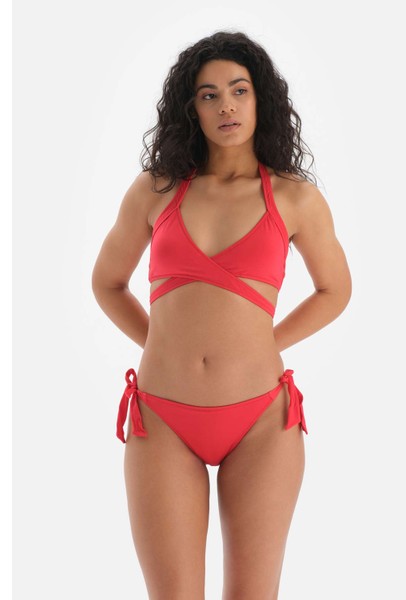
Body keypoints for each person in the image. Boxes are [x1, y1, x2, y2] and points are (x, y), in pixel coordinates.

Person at [91, 30, 352, 600]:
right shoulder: (155, 190)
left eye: (239, 90)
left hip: (261, 423)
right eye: (208, 95)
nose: (226, 106)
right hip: (162, 419)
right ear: (192, 108)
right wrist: (159, 343)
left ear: (261, 99)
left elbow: (335, 290)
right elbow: (107, 283)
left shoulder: (295, 198)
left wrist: (266, 343)